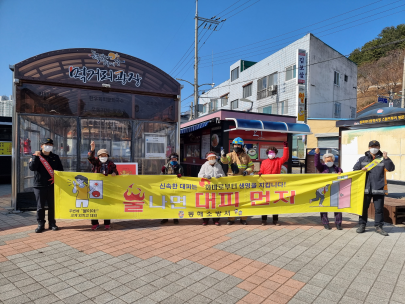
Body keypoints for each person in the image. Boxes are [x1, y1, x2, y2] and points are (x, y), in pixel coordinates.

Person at [354, 140, 395, 236]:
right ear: (368, 148)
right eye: (372, 146)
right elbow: (355, 170)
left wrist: (386, 158)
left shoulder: (383, 159)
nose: (374, 148)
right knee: (363, 208)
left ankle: (379, 227)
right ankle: (362, 225)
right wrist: (361, 170)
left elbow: (391, 168)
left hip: (379, 189)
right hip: (365, 189)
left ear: (379, 148)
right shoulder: (362, 159)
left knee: (379, 209)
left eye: (376, 146)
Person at [29, 138, 64, 233]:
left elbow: (60, 170)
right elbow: (32, 168)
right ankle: (41, 224)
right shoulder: (36, 156)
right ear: (42, 146)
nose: (49, 146)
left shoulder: (55, 157)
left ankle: (52, 223)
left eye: (50, 144)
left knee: (52, 206)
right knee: (40, 206)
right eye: (46, 144)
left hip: (52, 185)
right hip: (39, 185)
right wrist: (36, 157)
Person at [220, 137, 253, 225]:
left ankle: (243, 218)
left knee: (243, 200)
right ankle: (231, 219)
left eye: (238, 145)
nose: (236, 146)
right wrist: (223, 156)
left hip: (243, 180)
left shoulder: (246, 156)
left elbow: (251, 166)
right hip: (232, 180)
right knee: (232, 200)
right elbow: (224, 161)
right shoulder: (230, 155)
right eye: (235, 144)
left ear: (242, 146)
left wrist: (247, 171)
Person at [88, 141, 118, 230]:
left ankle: (107, 223)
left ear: (108, 156)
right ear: (98, 156)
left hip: (107, 187)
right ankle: (95, 223)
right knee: (94, 205)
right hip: (95, 187)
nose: (103, 157)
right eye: (101, 155)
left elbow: (116, 171)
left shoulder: (111, 163)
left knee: (106, 205)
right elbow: (90, 157)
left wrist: (114, 173)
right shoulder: (96, 162)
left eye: (105, 155)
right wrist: (92, 149)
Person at [257, 142, 288, 225]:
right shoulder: (264, 162)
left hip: (275, 185)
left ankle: (275, 220)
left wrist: (285, 148)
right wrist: (259, 173)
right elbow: (261, 171)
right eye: (270, 152)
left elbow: (285, 157)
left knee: (275, 203)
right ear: (267, 153)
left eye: (273, 152)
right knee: (265, 202)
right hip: (266, 185)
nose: (271, 154)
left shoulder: (278, 161)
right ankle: (264, 220)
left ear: (275, 153)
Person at [314, 148, 343, 230]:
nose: (328, 162)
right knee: (324, 206)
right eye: (327, 160)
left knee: (337, 207)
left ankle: (338, 223)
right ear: (324, 161)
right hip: (325, 191)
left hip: (335, 190)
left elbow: (342, 175)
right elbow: (316, 164)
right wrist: (317, 154)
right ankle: (325, 223)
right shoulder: (322, 168)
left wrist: (340, 173)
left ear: (333, 161)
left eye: (330, 160)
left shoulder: (337, 169)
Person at [198, 151, 226, 226]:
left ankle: (216, 220)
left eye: (213, 158)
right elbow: (199, 175)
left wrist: (220, 175)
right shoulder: (204, 166)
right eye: (210, 158)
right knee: (207, 204)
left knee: (216, 204)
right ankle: (205, 220)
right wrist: (205, 176)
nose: (212, 159)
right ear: (207, 159)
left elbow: (223, 175)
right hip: (207, 188)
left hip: (216, 188)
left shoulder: (219, 166)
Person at [160, 152, 183, 224]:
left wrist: (180, 175)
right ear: (170, 159)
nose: (173, 160)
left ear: (177, 159)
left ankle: (175, 218)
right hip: (167, 187)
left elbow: (183, 177)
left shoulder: (180, 167)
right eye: (172, 158)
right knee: (166, 203)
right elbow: (160, 177)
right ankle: (165, 218)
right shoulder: (166, 166)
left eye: (175, 159)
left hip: (176, 188)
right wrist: (162, 171)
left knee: (175, 203)